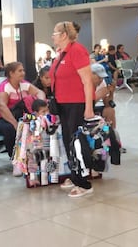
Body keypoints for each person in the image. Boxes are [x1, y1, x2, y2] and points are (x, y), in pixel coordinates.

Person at [49, 21, 95, 198]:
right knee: (69, 141)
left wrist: (88, 108)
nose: (52, 36)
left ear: (63, 35)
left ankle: (84, 183)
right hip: (63, 104)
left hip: (76, 104)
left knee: (76, 143)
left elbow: (87, 81)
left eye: (55, 32)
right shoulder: (61, 53)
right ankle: (75, 176)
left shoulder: (77, 51)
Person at [0, 62, 46, 164]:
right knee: (11, 129)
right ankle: (16, 160)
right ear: (11, 73)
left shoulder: (24, 84)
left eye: (23, 70)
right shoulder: (4, 87)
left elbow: (40, 92)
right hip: (2, 119)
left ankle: (36, 155)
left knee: (38, 122)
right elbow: (2, 107)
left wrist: (41, 103)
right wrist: (15, 124)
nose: (23, 73)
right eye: (20, 71)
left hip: (20, 117)